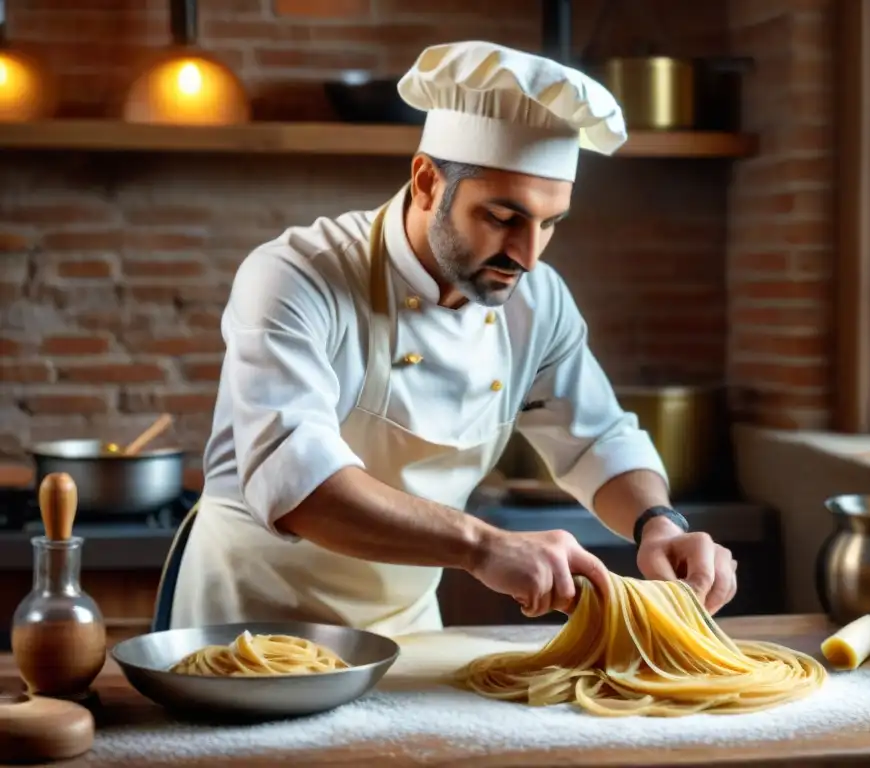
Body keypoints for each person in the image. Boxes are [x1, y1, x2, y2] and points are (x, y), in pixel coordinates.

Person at [169, 40, 738, 635]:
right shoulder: (295, 277)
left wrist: (658, 522)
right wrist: (482, 546)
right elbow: (299, 484)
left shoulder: (538, 301)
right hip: (247, 626)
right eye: (502, 218)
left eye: (549, 225)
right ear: (426, 182)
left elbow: (596, 439)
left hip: (406, 633)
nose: (527, 256)